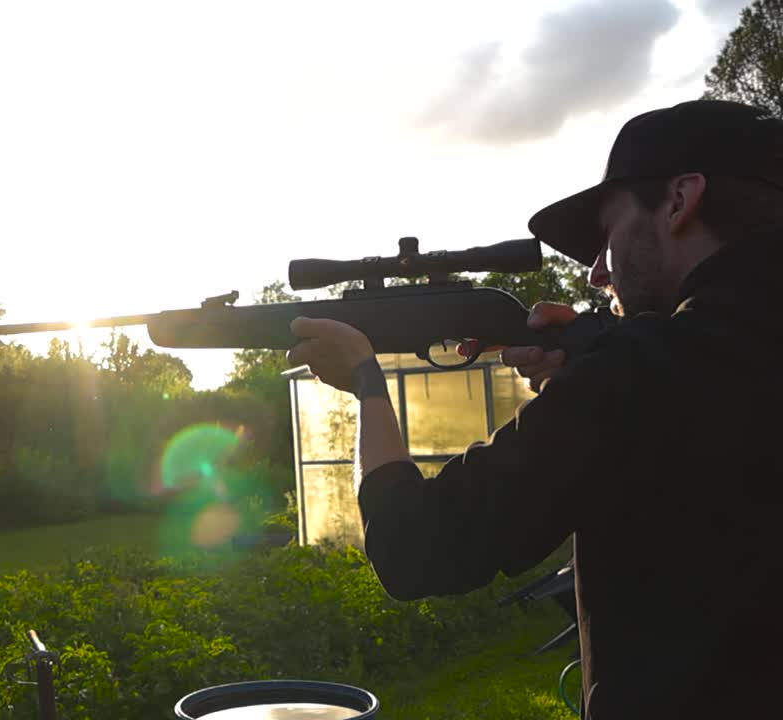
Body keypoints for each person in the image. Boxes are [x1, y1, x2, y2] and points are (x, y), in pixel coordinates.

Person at [285, 98, 783, 719]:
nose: (599, 272)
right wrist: (595, 357)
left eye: (607, 234)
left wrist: (364, 378)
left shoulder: (642, 376)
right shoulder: (661, 366)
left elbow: (413, 549)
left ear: (681, 199)